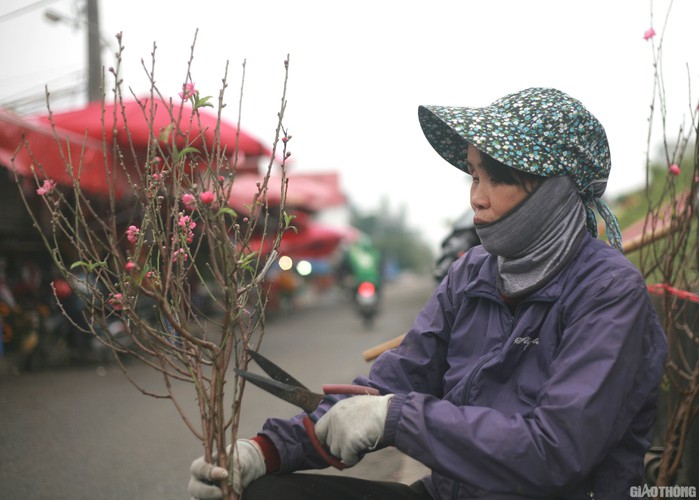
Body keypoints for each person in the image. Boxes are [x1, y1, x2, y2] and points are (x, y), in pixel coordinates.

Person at [188, 87, 668, 499]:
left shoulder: (608, 292)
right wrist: (264, 451)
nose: (476, 196)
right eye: (474, 175)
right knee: (265, 492)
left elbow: (556, 450)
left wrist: (397, 419)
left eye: (495, 177)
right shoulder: (474, 273)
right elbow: (391, 385)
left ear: (555, 191)